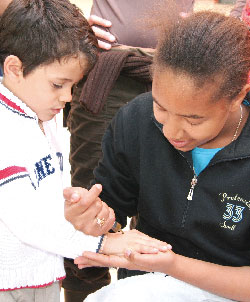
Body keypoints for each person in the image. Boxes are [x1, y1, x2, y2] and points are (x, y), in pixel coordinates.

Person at [67, 10, 250, 302]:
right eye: (161, 107)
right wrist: (96, 221)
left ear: (238, 96)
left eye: (194, 119)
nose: (173, 131)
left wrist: (173, 265)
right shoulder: (136, 120)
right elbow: (112, 212)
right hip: (144, 287)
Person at [0, 1, 170, 301]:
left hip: (43, 270)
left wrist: (76, 208)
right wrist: (103, 244)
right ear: (14, 69)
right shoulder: (8, 131)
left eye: (73, 86)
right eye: (58, 84)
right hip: (13, 282)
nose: (66, 97)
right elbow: (25, 221)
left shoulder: (38, 111)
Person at [63, 1, 195, 301]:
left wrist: (217, 38)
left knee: (172, 202)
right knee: (93, 201)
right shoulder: (133, 117)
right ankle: (83, 294)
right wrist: (68, 24)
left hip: (186, 67)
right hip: (111, 67)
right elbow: (95, 213)